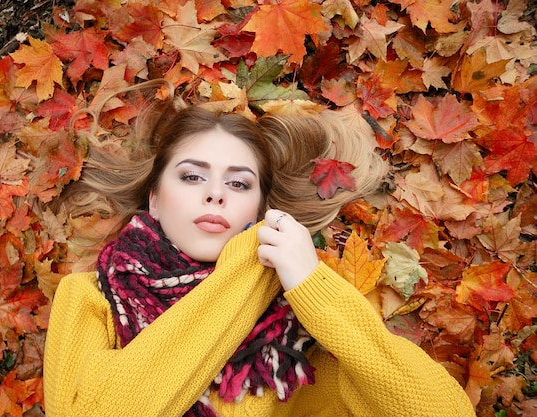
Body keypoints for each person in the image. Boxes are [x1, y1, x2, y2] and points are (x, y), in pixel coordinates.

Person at [42, 80, 476, 416]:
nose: (215, 194)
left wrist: (311, 285)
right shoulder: (90, 298)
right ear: (154, 197)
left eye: (238, 183)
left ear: (262, 208)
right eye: (192, 176)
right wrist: (248, 269)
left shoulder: (300, 330)